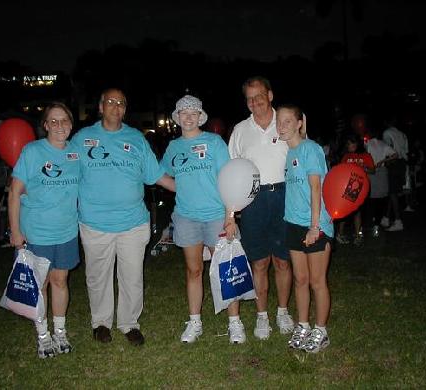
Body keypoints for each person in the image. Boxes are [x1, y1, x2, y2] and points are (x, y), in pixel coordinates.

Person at [72, 88, 175, 346]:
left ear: (125, 109)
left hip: (133, 223)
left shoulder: (136, 139)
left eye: (121, 103)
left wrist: (193, 188)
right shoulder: (82, 139)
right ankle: (101, 323)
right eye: (110, 102)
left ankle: (129, 323)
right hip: (94, 223)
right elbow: (64, 172)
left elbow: (156, 174)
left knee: (132, 276)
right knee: (98, 276)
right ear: (100, 106)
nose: (116, 106)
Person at [161, 95, 245, 344]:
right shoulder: (173, 147)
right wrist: (178, 187)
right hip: (186, 217)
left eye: (193, 112)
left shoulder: (214, 142)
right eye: (183, 112)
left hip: (216, 216)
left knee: (226, 270)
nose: (188, 116)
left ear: (200, 116)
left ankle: (235, 323)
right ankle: (195, 322)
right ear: (177, 117)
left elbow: (229, 179)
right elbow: (164, 175)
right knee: (193, 270)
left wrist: (230, 216)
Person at [8, 102, 80, 359]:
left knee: (61, 281)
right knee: (40, 285)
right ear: (46, 125)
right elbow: (15, 193)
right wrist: (15, 231)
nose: (60, 125)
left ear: (71, 124)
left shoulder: (76, 153)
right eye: (54, 121)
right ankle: (43, 336)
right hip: (37, 232)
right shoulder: (32, 151)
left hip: (67, 231)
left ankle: (60, 332)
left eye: (64, 121)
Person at [228, 76, 294, 340]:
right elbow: (231, 173)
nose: (255, 102)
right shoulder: (240, 130)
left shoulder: (287, 122)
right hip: (253, 199)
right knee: (259, 262)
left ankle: (282, 311)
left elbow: (303, 160)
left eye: (259, 96)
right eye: (250, 98)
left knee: (282, 260)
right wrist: (231, 213)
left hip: (285, 196)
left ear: (270, 95)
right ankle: (262, 316)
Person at [277, 104, 334, 353]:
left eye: (288, 121)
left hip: (315, 224)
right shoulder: (289, 153)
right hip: (292, 223)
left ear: (300, 123)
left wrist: (314, 227)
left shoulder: (311, 149)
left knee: (316, 281)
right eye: (279, 121)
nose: (282, 126)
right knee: (300, 280)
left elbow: (316, 189)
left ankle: (321, 331)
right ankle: (303, 325)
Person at [336, 133, 375, 245]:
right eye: (348, 144)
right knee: (345, 211)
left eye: (352, 143)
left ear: (357, 143)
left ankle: (358, 235)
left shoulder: (366, 155)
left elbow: (373, 170)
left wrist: (365, 168)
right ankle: (340, 234)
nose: (350, 145)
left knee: (358, 212)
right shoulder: (346, 157)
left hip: (361, 188)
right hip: (347, 187)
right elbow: (341, 172)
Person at [381, 117, 409, 231]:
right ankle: (386, 218)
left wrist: (385, 163)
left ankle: (398, 221)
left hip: (394, 163)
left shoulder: (387, 133)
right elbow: (406, 151)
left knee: (392, 192)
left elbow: (389, 150)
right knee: (393, 192)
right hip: (402, 163)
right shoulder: (402, 134)